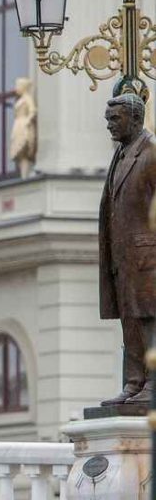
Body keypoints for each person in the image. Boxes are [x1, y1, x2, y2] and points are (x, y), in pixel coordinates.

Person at [99, 93, 156, 405]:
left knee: (150, 319)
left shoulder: (151, 153)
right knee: (130, 320)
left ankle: (152, 383)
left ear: (135, 119)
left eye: (115, 119)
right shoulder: (121, 155)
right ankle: (135, 382)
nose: (109, 126)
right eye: (108, 120)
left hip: (148, 256)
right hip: (124, 258)